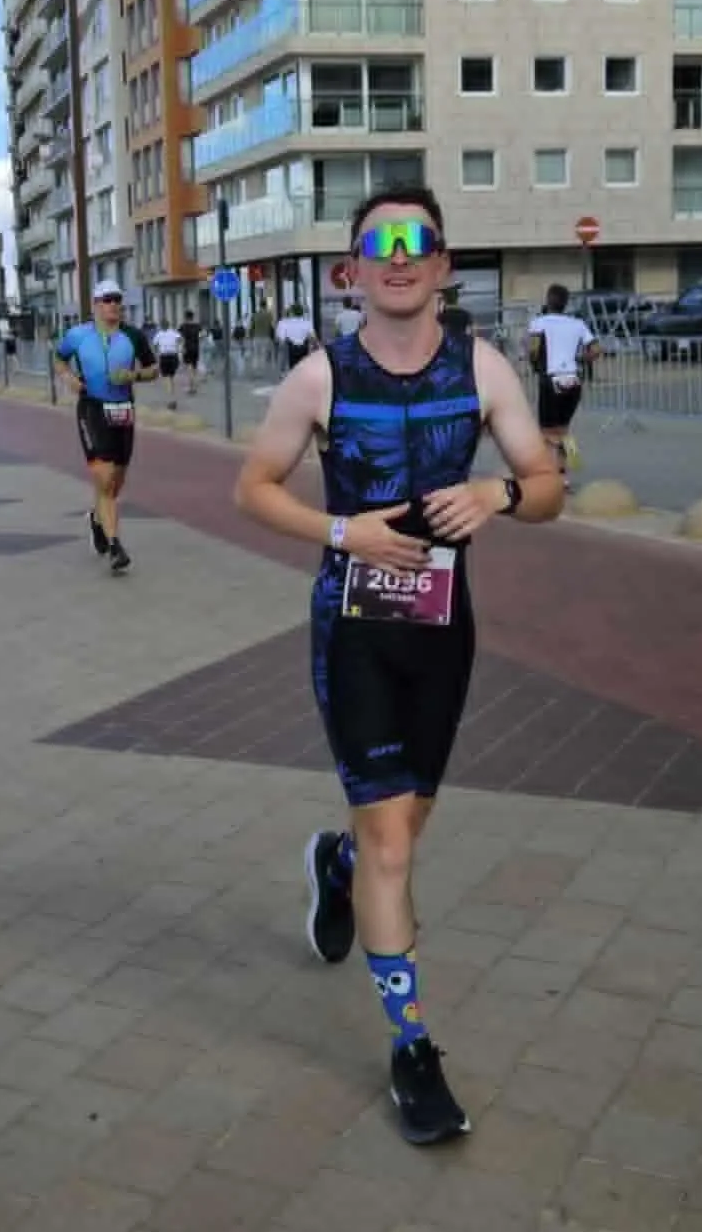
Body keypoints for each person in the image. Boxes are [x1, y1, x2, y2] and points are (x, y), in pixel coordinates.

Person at [235, 189, 563, 1144]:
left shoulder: (483, 367)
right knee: (393, 845)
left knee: (402, 827)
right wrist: (344, 531)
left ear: (445, 265)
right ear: (352, 271)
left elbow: (547, 484)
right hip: (353, 629)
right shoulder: (319, 378)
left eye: (418, 239)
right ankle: (412, 1047)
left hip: (442, 630)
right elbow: (253, 489)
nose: (400, 254)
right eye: (380, 241)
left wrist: (499, 494)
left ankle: (334, 865)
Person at [55, 280, 157, 575]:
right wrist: (69, 379)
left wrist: (133, 376)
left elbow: (153, 369)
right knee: (105, 476)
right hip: (92, 408)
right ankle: (115, 546)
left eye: (117, 300)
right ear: (96, 304)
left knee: (117, 480)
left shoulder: (133, 336)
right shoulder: (78, 335)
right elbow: (59, 359)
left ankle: (97, 518)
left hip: (123, 409)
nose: (114, 305)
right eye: (108, 300)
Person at [526, 284, 599, 487]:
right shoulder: (578, 324)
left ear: (548, 300)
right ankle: (569, 468)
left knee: (547, 432)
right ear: (566, 303)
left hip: (551, 379)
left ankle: (549, 474)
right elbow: (596, 349)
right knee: (564, 429)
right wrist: (580, 359)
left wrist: (533, 364)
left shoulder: (539, 323)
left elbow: (533, 350)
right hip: (573, 380)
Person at [276, 302, 316, 371]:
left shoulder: (284, 323)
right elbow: (313, 337)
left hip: (290, 349)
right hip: (304, 348)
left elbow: (281, 340)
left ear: (292, 312)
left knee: (293, 368)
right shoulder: (307, 322)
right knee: (303, 367)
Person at [152, 321, 183, 410]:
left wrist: (156, 354)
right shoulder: (173, 332)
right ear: (169, 325)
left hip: (164, 357)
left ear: (161, 326)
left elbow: (154, 345)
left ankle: (172, 400)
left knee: (167, 379)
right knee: (171, 378)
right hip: (173, 356)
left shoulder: (159, 334)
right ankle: (173, 396)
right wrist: (178, 348)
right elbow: (180, 340)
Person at [179, 310, 203, 397]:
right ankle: (194, 386)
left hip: (187, 348)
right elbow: (202, 335)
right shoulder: (198, 326)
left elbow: (181, 338)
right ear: (193, 317)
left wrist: (182, 348)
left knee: (189, 367)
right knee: (194, 367)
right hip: (196, 348)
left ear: (186, 317)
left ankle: (190, 387)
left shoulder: (183, 326)